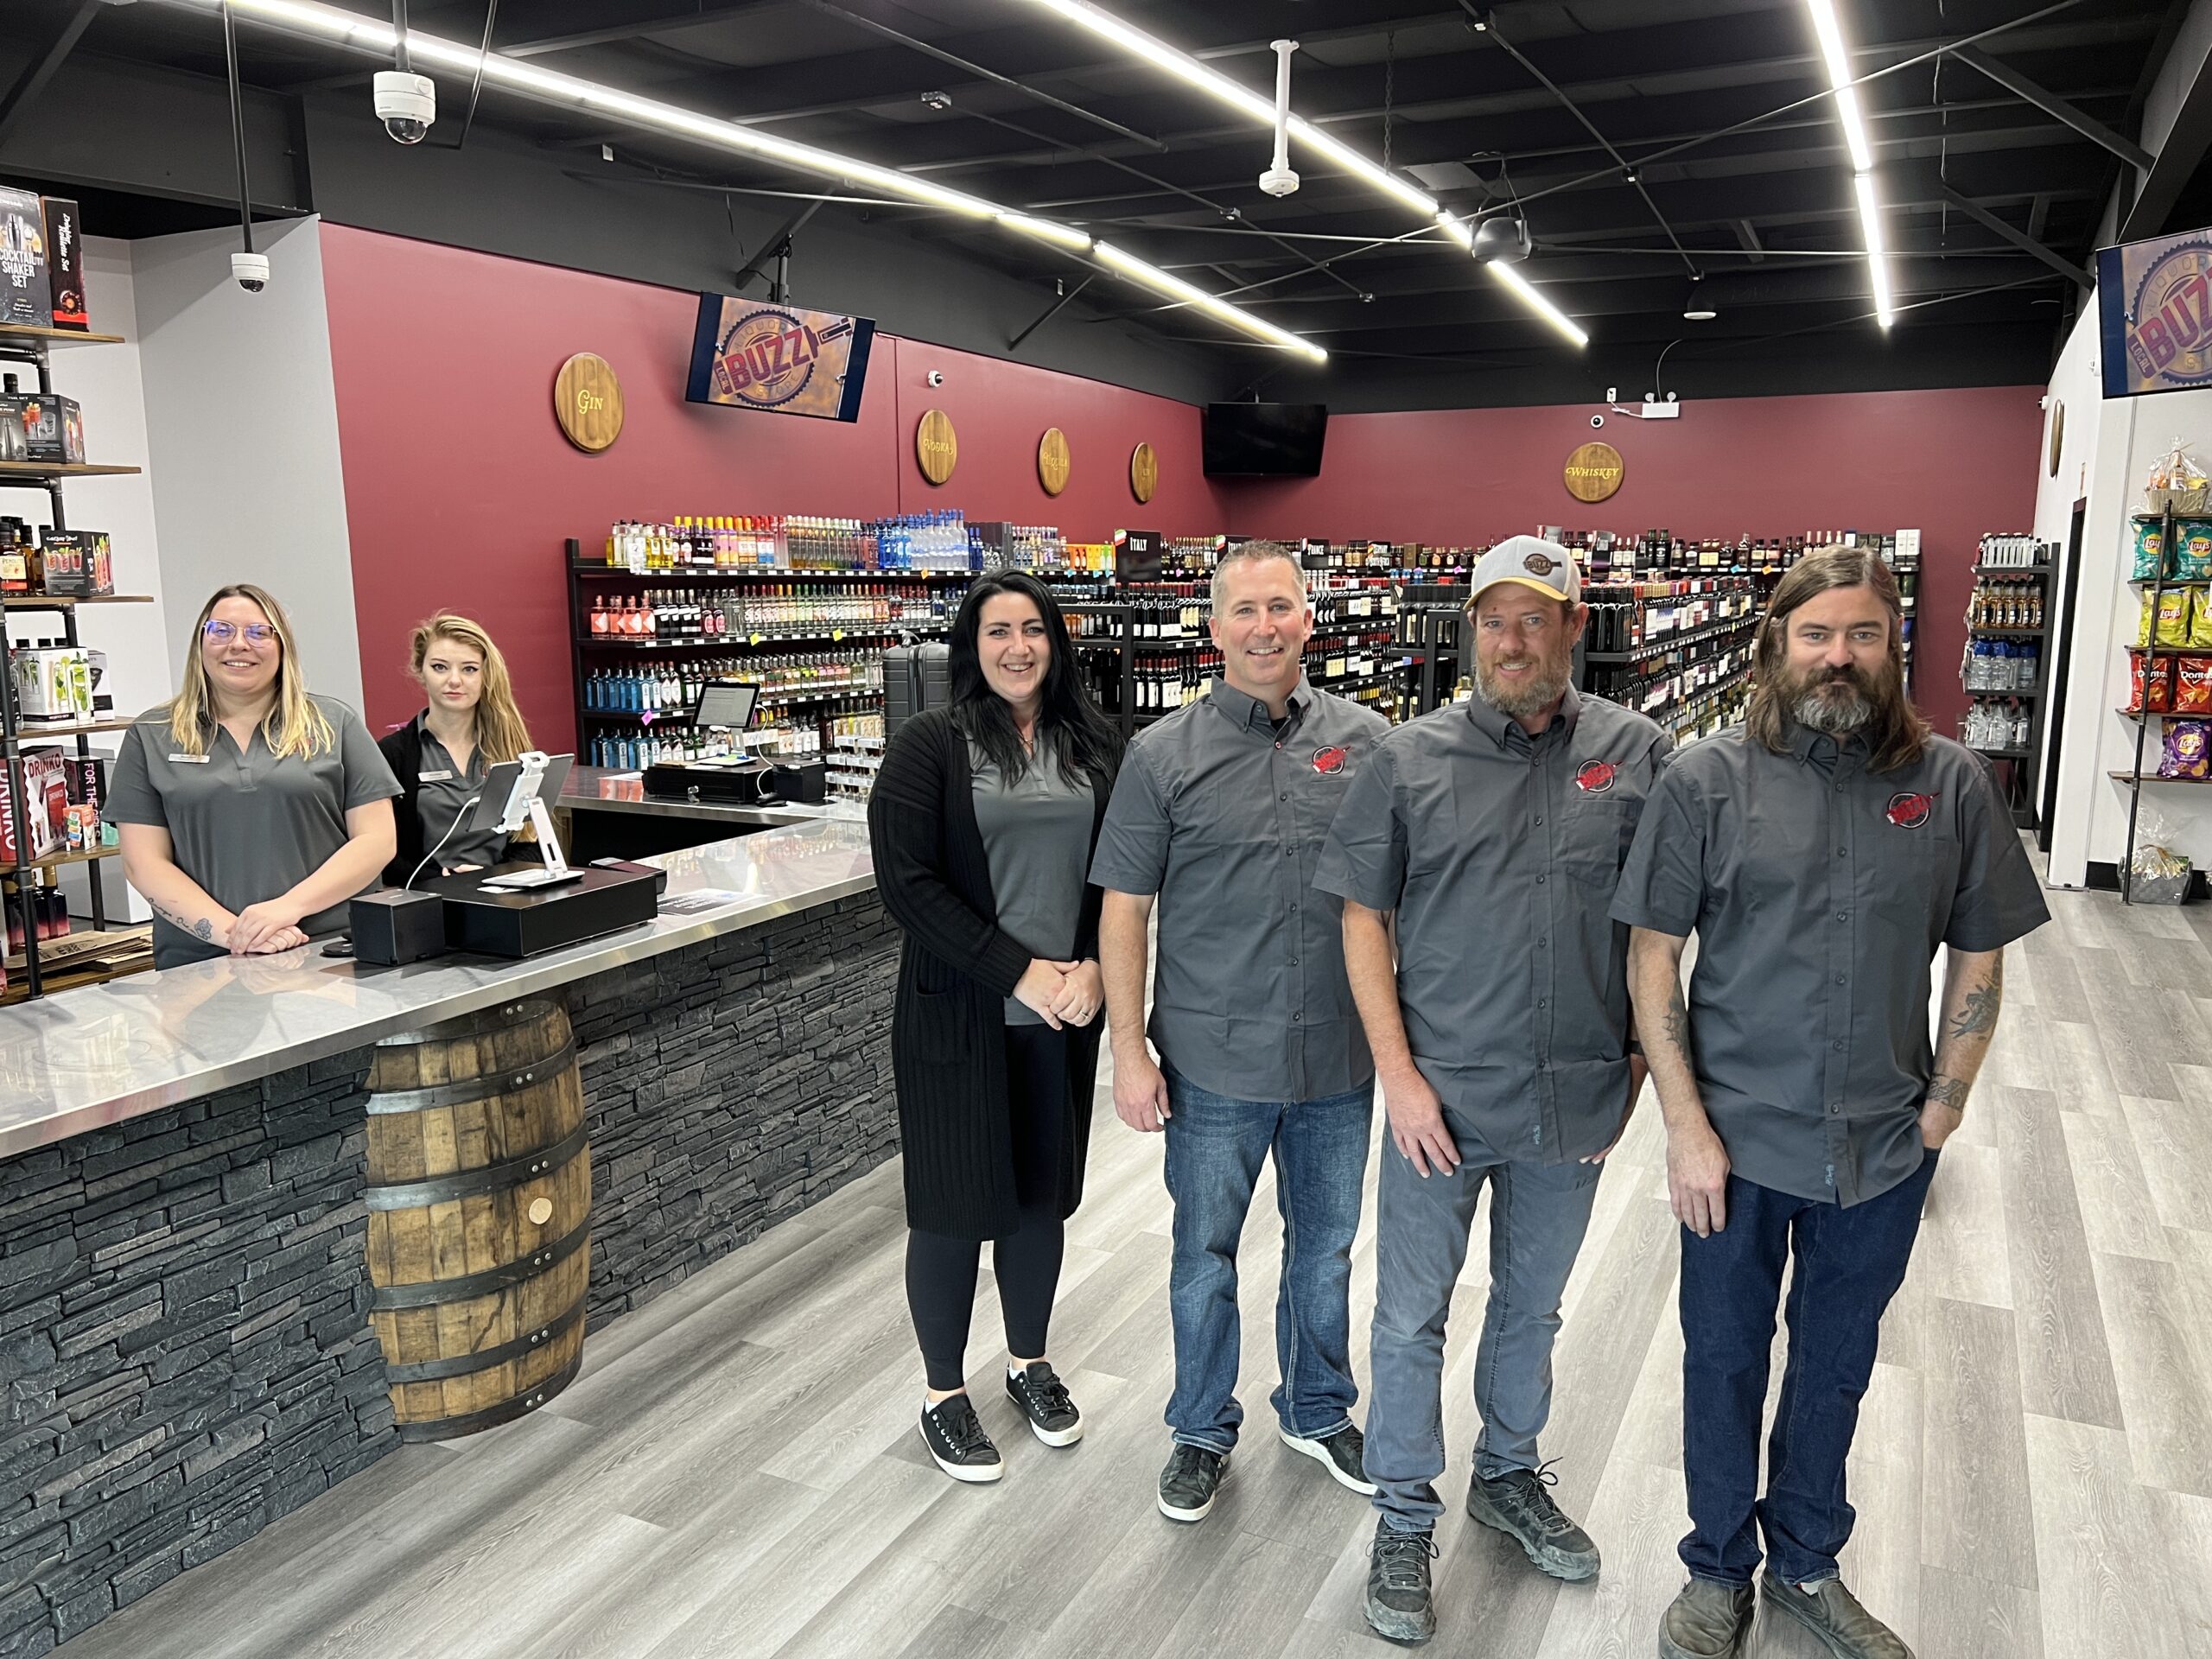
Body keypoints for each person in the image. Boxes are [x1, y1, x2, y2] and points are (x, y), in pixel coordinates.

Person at [1614, 546, 2048, 1659]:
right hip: (1736, 1146)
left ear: (1892, 648)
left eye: (1862, 635)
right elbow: (1653, 958)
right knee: (1721, 1359)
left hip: (1883, 1150)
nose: (1838, 658)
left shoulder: (1948, 783)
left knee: (1835, 1361)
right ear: (1775, 645)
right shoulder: (1703, 781)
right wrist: (1683, 1127)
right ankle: (1717, 1571)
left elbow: (1981, 957)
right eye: (1816, 635)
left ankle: (1806, 1560)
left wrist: (1943, 1109)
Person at [1313, 537, 1669, 1644]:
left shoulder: (1639, 752)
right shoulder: (1406, 760)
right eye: (1492, 621)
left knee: (1533, 1304)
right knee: (1412, 1315)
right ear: (1470, 632)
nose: (1512, 642)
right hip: (1440, 1097)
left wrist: (1639, 1066)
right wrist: (1397, 1079)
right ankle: (1406, 1509)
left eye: (1535, 619)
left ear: (1575, 628)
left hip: (1572, 1096)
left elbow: (1661, 923)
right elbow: (1361, 918)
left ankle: (1506, 1475)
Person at [1090, 539, 1391, 1526]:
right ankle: (1200, 1428)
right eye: (1244, 610)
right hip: (1213, 1060)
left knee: (1326, 1248)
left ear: (1310, 617)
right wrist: (1128, 1052)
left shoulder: (1371, 742)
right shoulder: (1159, 756)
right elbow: (1124, 910)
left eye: (1281, 606)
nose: (1264, 626)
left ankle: (1313, 1408)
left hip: (1339, 1058)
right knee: (1202, 1253)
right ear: (1213, 628)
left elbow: (1401, 896)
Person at [867, 569, 1122, 1484]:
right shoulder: (928, 747)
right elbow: (909, 887)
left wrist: (1093, 962)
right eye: (995, 632)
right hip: (961, 1015)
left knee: (1037, 1201)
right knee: (950, 1209)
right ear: (969, 649)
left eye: (1032, 630)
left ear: (1056, 643)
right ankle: (942, 1391)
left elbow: (1115, 872)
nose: (1016, 647)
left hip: (1063, 1014)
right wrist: (1019, 970)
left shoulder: (1092, 745)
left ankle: (1027, 1362)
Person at [110, 584, 400, 968]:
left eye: (259, 632)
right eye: (221, 630)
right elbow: (143, 863)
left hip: (330, 950)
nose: (239, 645)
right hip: (201, 961)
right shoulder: (152, 733)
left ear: (283, 647)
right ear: (201, 643)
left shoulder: (334, 724)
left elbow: (377, 840)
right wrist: (240, 935)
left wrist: (285, 910)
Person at [379, 613, 537, 884]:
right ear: (420, 671)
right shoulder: (393, 755)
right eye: (440, 667)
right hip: (428, 898)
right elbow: (383, 856)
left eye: (469, 669)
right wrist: (444, 877)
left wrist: (496, 876)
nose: (454, 680)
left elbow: (531, 841)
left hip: (506, 898)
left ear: (485, 675)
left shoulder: (510, 746)